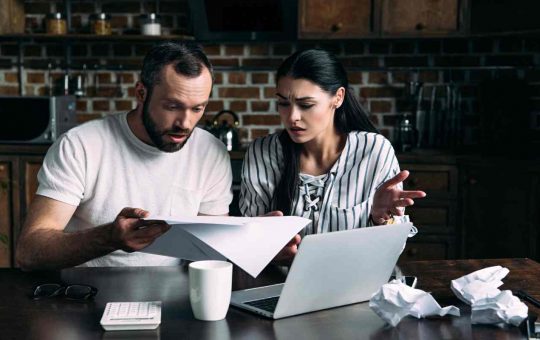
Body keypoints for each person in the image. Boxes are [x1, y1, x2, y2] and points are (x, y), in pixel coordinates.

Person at [16, 42, 233, 270]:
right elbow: (29, 252)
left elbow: (212, 251)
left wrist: (258, 237)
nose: (185, 123)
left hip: (174, 293)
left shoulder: (210, 151)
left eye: (197, 109)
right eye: (172, 106)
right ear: (141, 93)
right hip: (84, 296)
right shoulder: (80, 146)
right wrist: (109, 237)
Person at [240, 49, 426, 263]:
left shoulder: (374, 150)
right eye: (283, 103)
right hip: (279, 288)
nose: (292, 117)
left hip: (352, 287)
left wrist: (380, 219)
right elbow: (248, 248)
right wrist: (263, 246)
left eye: (306, 105)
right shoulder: (261, 153)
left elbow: (391, 252)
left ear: (338, 98)